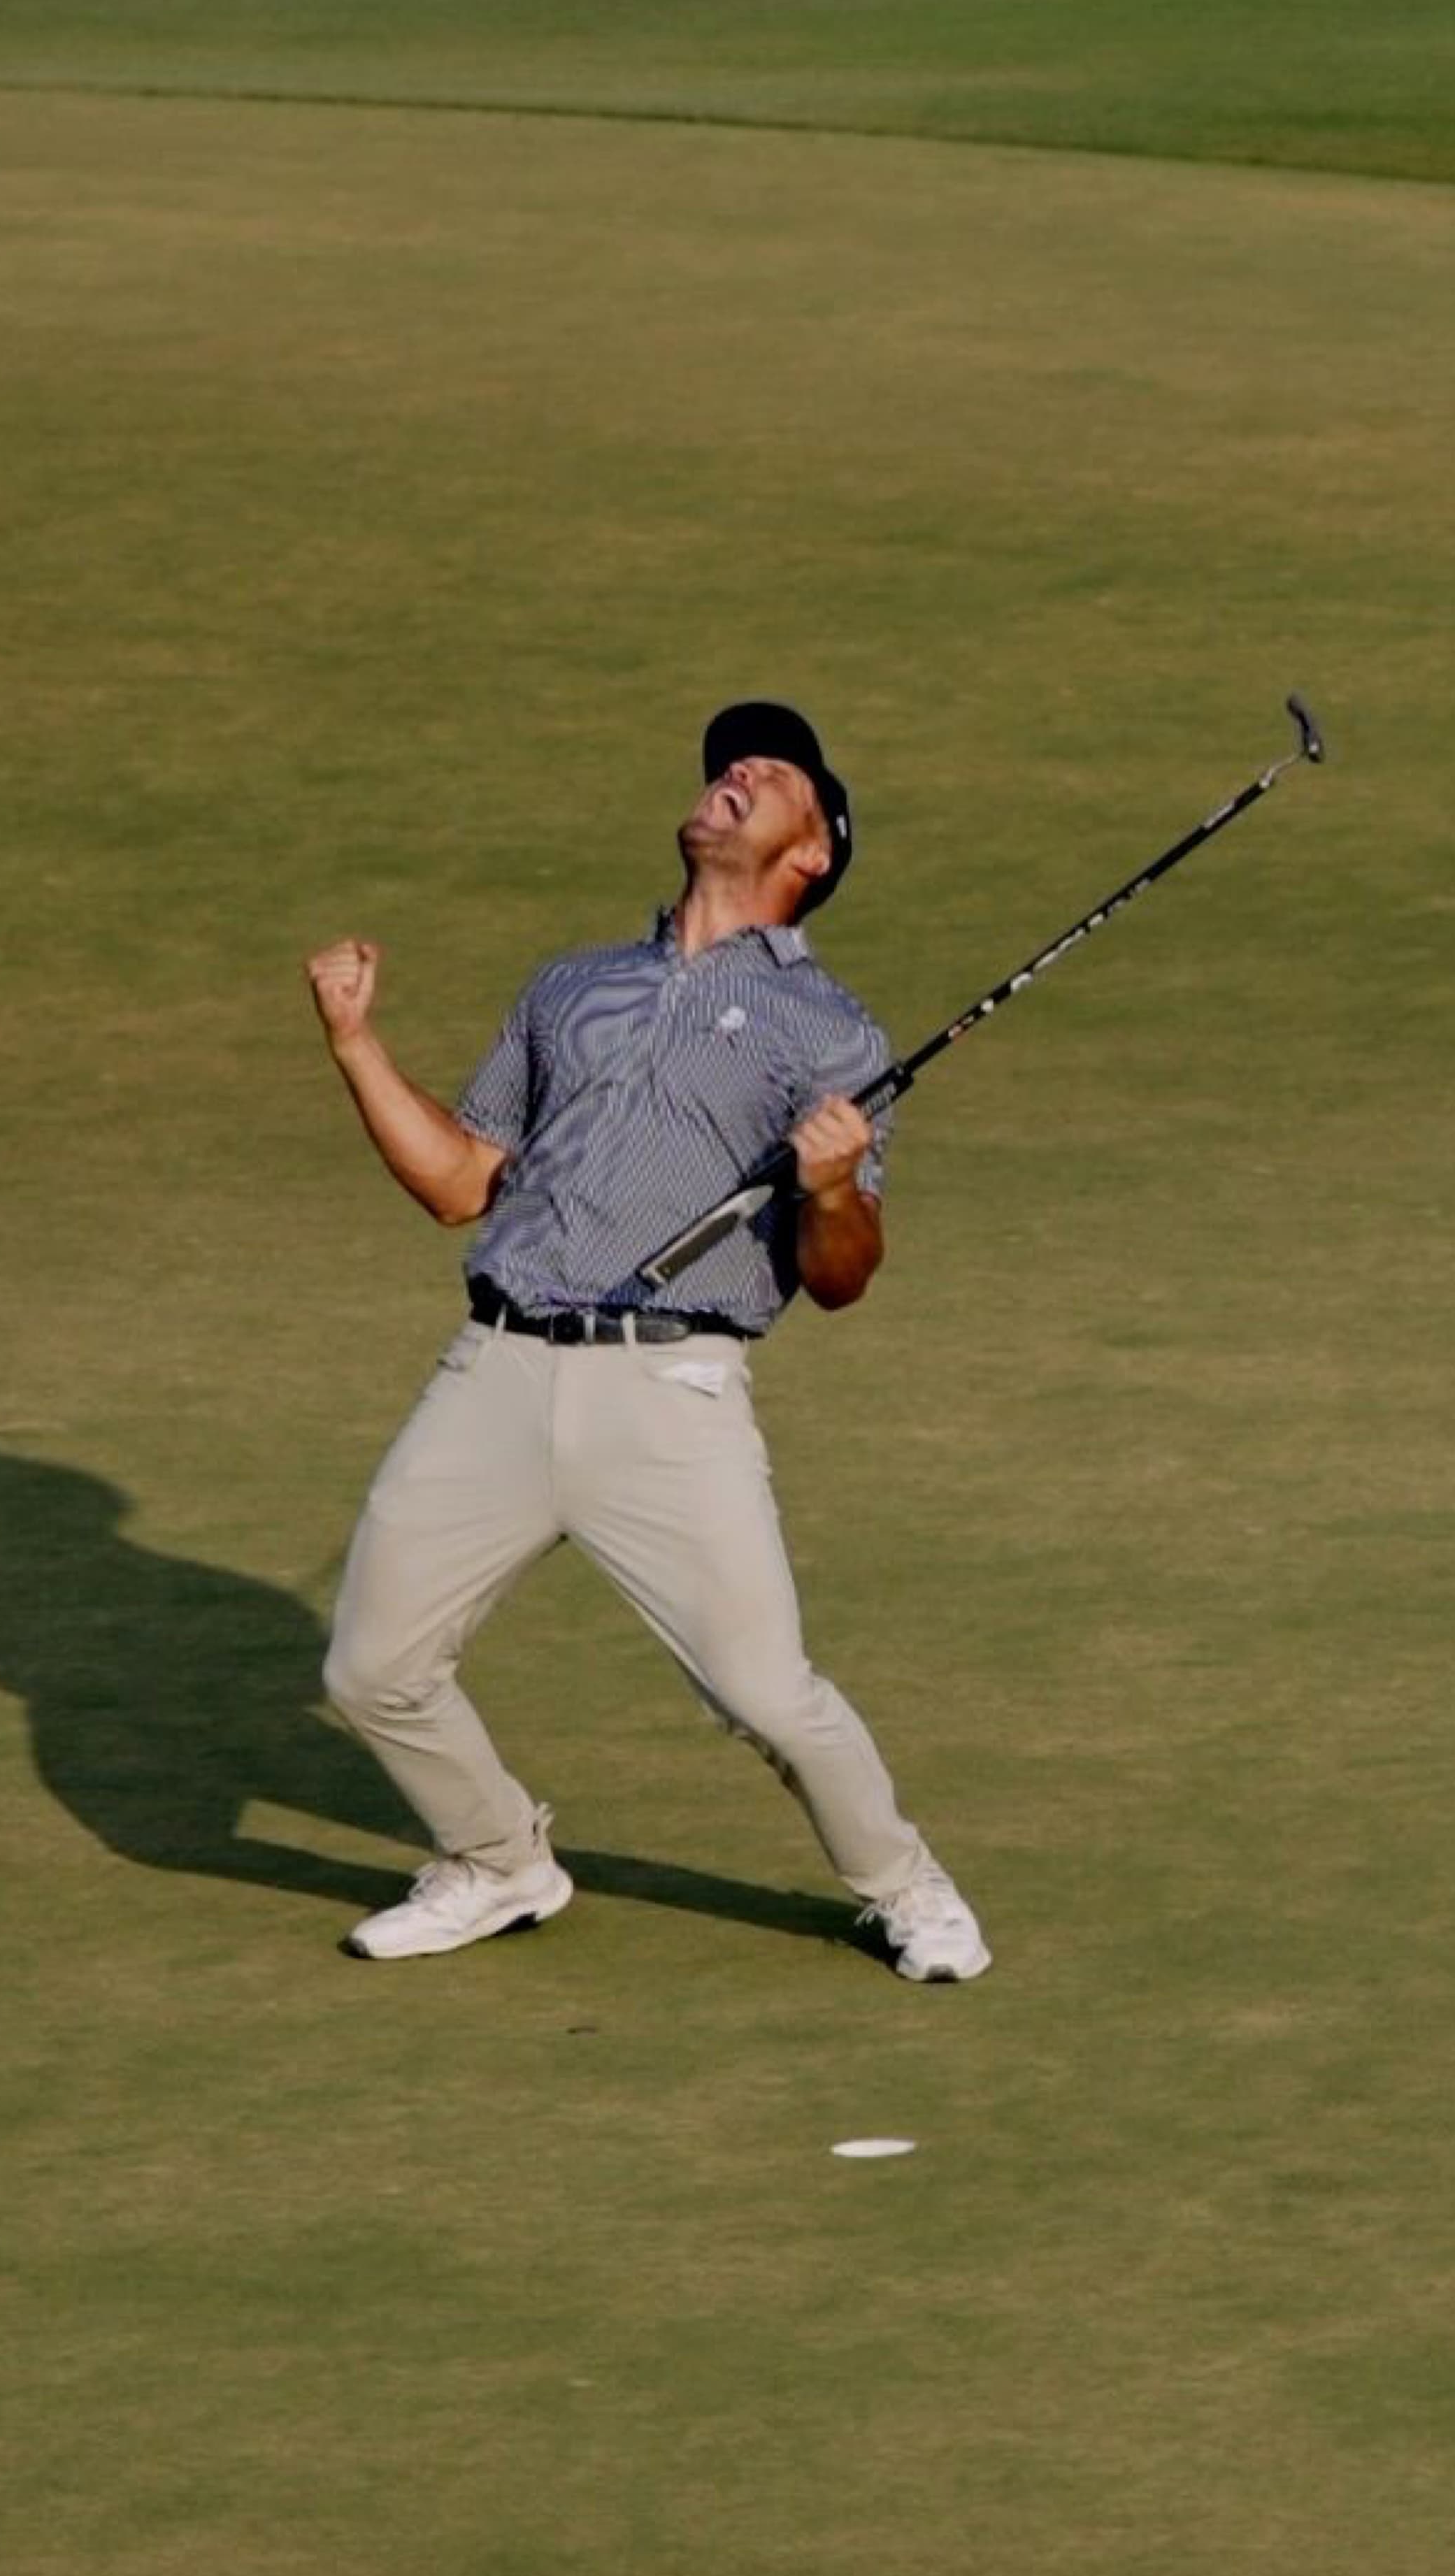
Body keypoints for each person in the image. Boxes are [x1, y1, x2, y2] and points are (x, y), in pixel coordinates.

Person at [306, 700, 990, 1983]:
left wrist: (837, 1191)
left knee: (767, 1696)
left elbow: (839, 1281)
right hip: (495, 1372)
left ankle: (905, 1886)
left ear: (814, 853)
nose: (734, 771)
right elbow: (461, 1184)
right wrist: (356, 1047)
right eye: (730, 760)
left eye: (771, 770)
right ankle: (499, 1862)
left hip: (672, 1389)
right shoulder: (574, 987)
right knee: (371, 1668)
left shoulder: (826, 1033)